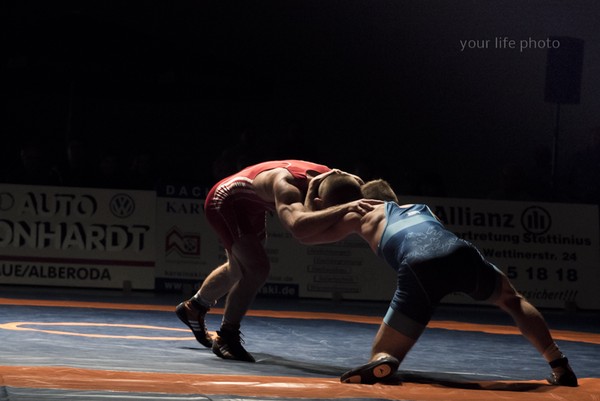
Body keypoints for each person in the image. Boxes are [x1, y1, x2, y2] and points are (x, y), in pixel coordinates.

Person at [305, 178, 578, 387]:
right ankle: (560, 365)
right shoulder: (421, 208)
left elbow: (306, 231)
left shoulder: (361, 212)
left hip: (419, 263)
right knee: (513, 300)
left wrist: (313, 193)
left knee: (383, 354)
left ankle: (383, 359)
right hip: (458, 250)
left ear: (366, 201)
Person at [175, 160, 373, 362]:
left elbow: (377, 197)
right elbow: (299, 229)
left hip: (252, 206)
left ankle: (194, 307)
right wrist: (342, 211)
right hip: (226, 200)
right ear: (317, 199)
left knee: (239, 269)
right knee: (256, 268)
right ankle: (227, 336)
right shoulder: (286, 184)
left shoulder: (346, 183)